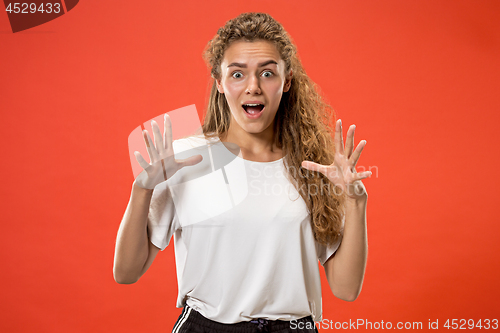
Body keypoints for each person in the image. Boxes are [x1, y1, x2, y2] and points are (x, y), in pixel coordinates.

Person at [113, 12, 371, 333]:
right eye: (237, 74)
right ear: (219, 82)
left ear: (287, 80)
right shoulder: (184, 159)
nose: (253, 87)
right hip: (207, 326)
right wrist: (142, 190)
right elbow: (126, 272)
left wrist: (355, 204)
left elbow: (346, 290)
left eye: (267, 73)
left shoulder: (313, 166)